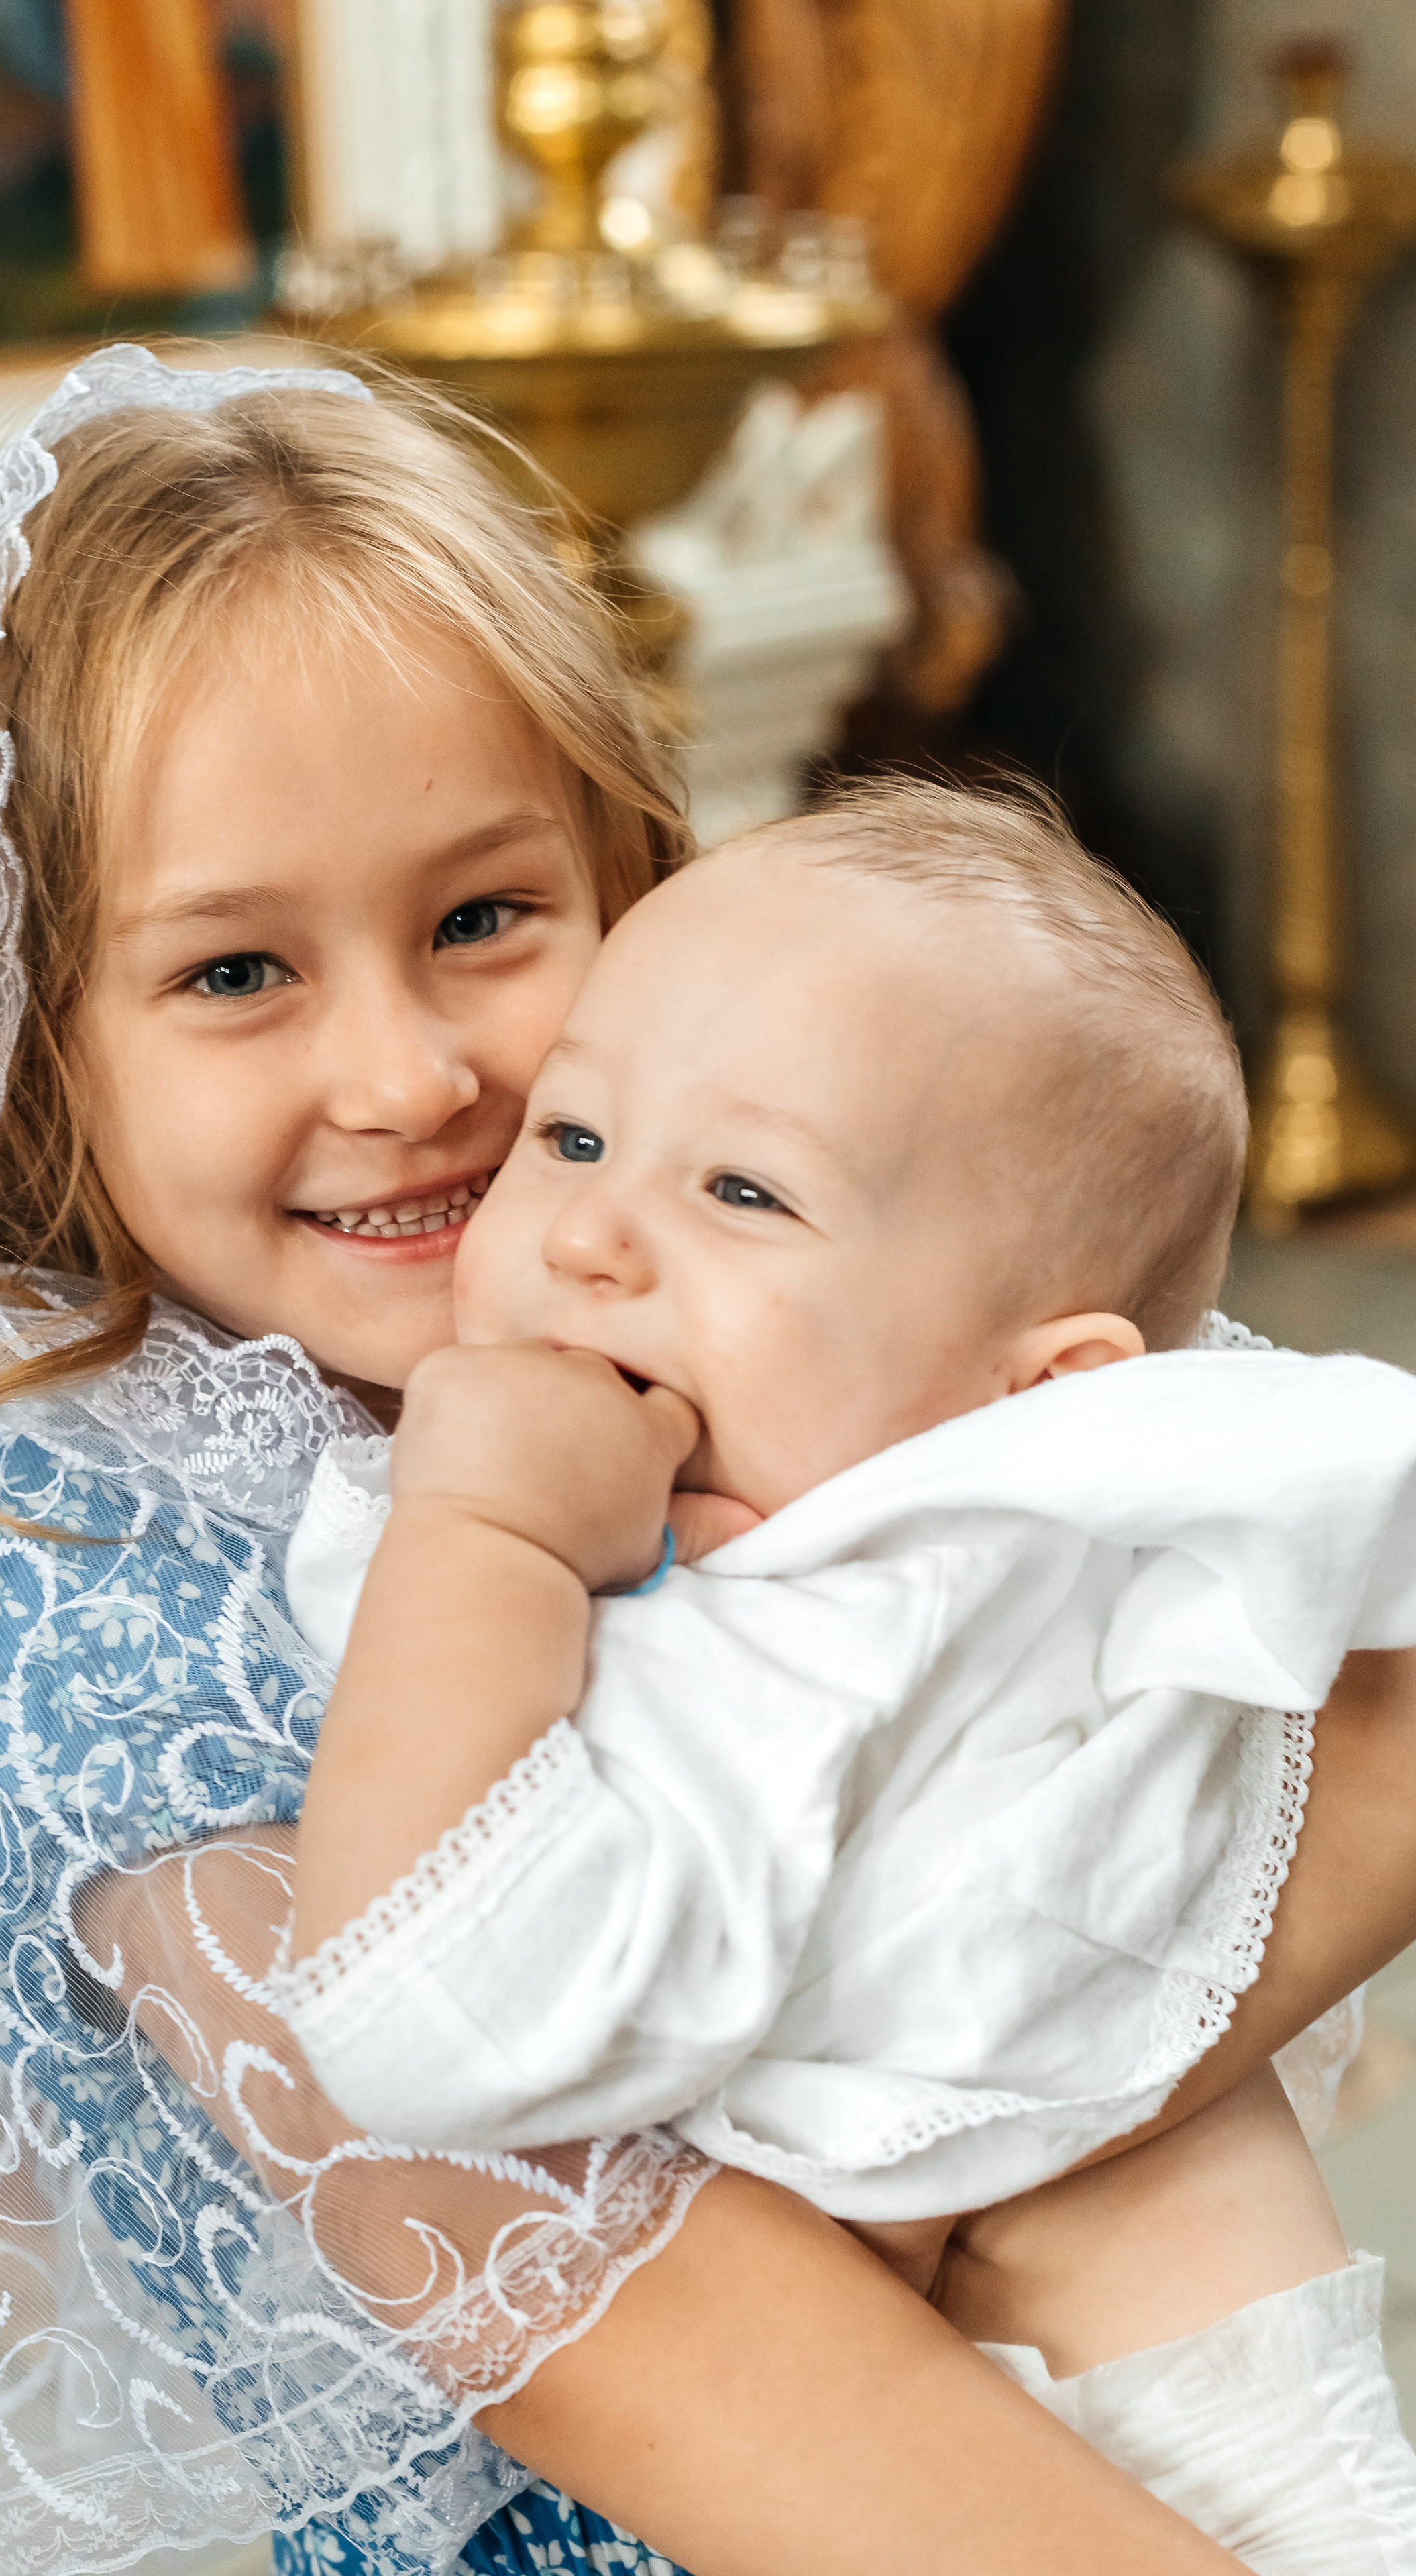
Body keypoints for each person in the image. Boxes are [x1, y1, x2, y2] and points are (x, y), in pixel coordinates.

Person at [0, 339, 1405, 2576]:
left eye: (486, 921)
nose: (410, 1078)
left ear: (630, 876)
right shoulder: (74, 1618)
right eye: (233, 974)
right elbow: (775, 2406)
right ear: (37, 1042)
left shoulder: (787, 1290)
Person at [276, 782, 1416, 2565]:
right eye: (571, 1137)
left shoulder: (839, 1626)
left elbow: (430, 2015)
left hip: (1179, 2468)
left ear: (1042, 1408)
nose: (588, 1235)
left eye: (744, 1189)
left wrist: (482, 1540)